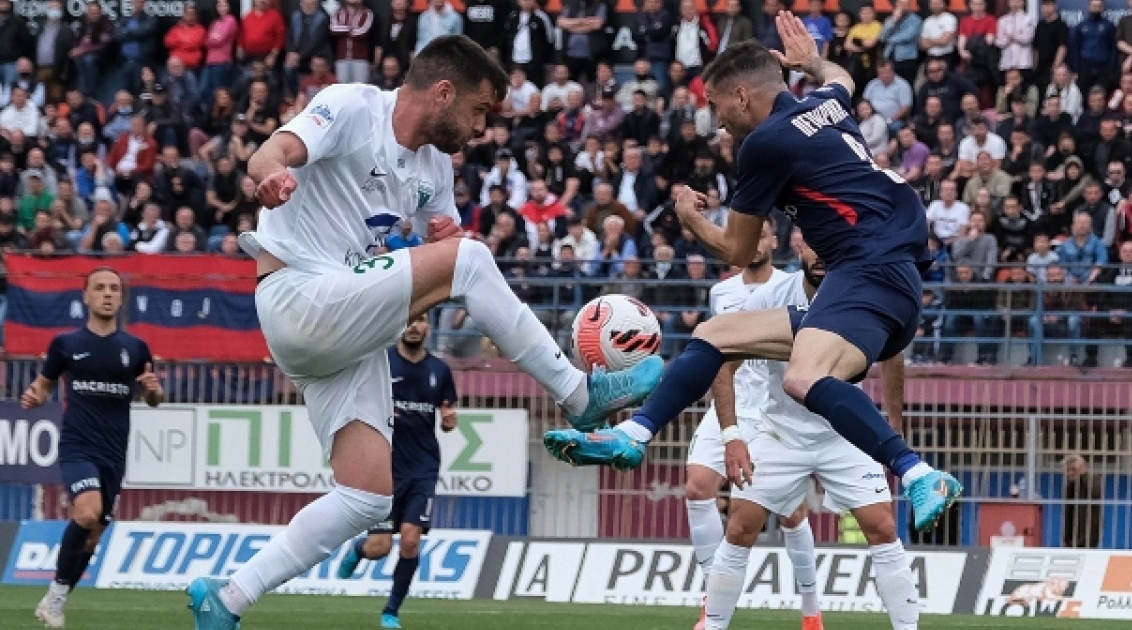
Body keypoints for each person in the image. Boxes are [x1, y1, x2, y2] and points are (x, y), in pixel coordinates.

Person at [186, 36, 663, 630]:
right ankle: (577, 393)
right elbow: (272, 150)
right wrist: (271, 175)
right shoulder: (354, 107)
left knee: (366, 498)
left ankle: (228, 597)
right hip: (299, 293)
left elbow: (446, 252)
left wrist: (445, 239)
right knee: (472, 259)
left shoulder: (434, 167)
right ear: (443, 93)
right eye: (479, 110)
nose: (482, 128)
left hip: (340, 324)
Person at [544, 19, 961, 534]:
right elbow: (842, 78)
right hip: (884, 278)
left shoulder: (765, 143)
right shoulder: (826, 103)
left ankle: (919, 474)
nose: (717, 121)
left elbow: (739, 250)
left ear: (742, 96)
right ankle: (633, 434)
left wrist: (690, 218)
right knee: (714, 334)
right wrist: (813, 62)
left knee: (803, 378)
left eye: (717, 105)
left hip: (869, 271)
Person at [702, 235, 915, 630]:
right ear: (799, 247)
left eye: (828, 245)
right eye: (814, 245)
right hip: (780, 433)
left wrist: (894, 424)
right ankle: (713, 625)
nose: (820, 255)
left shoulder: (862, 292)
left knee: (883, 527)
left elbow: (893, 354)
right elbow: (722, 359)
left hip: (845, 435)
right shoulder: (769, 297)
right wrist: (732, 435)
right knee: (740, 527)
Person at [680, 219, 815, 630]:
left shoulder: (792, 285)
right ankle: (711, 599)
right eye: (748, 235)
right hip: (731, 404)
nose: (755, 243)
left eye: (762, 235)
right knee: (697, 487)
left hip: (773, 407)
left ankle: (811, 611)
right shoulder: (721, 292)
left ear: (774, 240)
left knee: (791, 514)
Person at [23, 267, 162, 628]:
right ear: (86, 296)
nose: (107, 294)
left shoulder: (135, 348)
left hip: (113, 452)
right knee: (87, 512)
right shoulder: (65, 344)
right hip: (77, 446)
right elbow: (43, 385)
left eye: (114, 288)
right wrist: (35, 396)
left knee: (94, 533)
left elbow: (153, 398)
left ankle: (56, 598)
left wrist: (152, 391)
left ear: (121, 298)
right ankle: (55, 598)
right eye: (99, 288)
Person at [335, 314, 455, 629]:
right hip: (384, 470)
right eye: (409, 320)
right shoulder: (381, 364)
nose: (414, 326)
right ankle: (358, 549)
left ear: (429, 327)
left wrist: (448, 419)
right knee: (379, 548)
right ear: (399, 326)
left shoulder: (439, 370)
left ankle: (391, 611)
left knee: (411, 541)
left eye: (421, 320)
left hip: (423, 470)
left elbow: (447, 410)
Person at [1062, 454, 1103, 548]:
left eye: (1074, 469)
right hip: (1071, 534)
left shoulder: (1092, 480)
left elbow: (1095, 494)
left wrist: (1083, 476)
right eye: (1067, 470)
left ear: (1082, 469)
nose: (1070, 473)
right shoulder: (1070, 486)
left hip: (1088, 533)